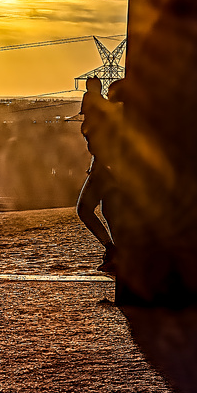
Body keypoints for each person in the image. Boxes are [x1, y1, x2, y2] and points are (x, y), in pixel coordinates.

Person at [76, 76, 121, 275]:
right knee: (109, 212)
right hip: (111, 166)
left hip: (103, 167)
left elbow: (96, 140)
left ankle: (111, 249)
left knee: (84, 209)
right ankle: (116, 251)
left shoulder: (95, 107)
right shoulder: (109, 109)